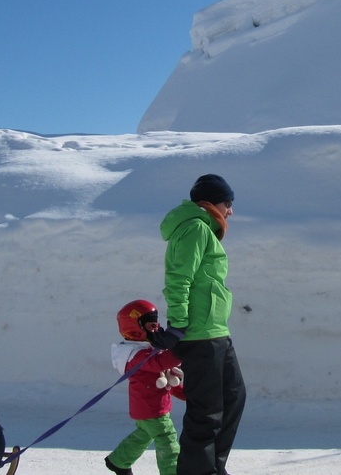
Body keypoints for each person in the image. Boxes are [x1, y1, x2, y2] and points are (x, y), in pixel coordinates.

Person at [148, 173, 246, 475]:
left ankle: (213, 468)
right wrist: (177, 324)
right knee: (206, 413)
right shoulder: (195, 228)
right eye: (227, 204)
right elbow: (179, 278)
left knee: (233, 397)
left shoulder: (203, 229)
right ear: (211, 202)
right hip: (199, 333)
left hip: (215, 330)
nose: (230, 211)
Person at [106, 299, 186, 475]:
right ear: (136, 329)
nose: (156, 329)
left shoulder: (148, 351)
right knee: (166, 437)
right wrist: (181, 346)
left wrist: (187, 394)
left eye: (157, 324)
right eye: (151, 326)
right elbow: (160, 363)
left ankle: (118, 461)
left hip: (149, 407)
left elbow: (166, 378)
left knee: (144, 435)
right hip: (150, 408)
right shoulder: (136, 356)